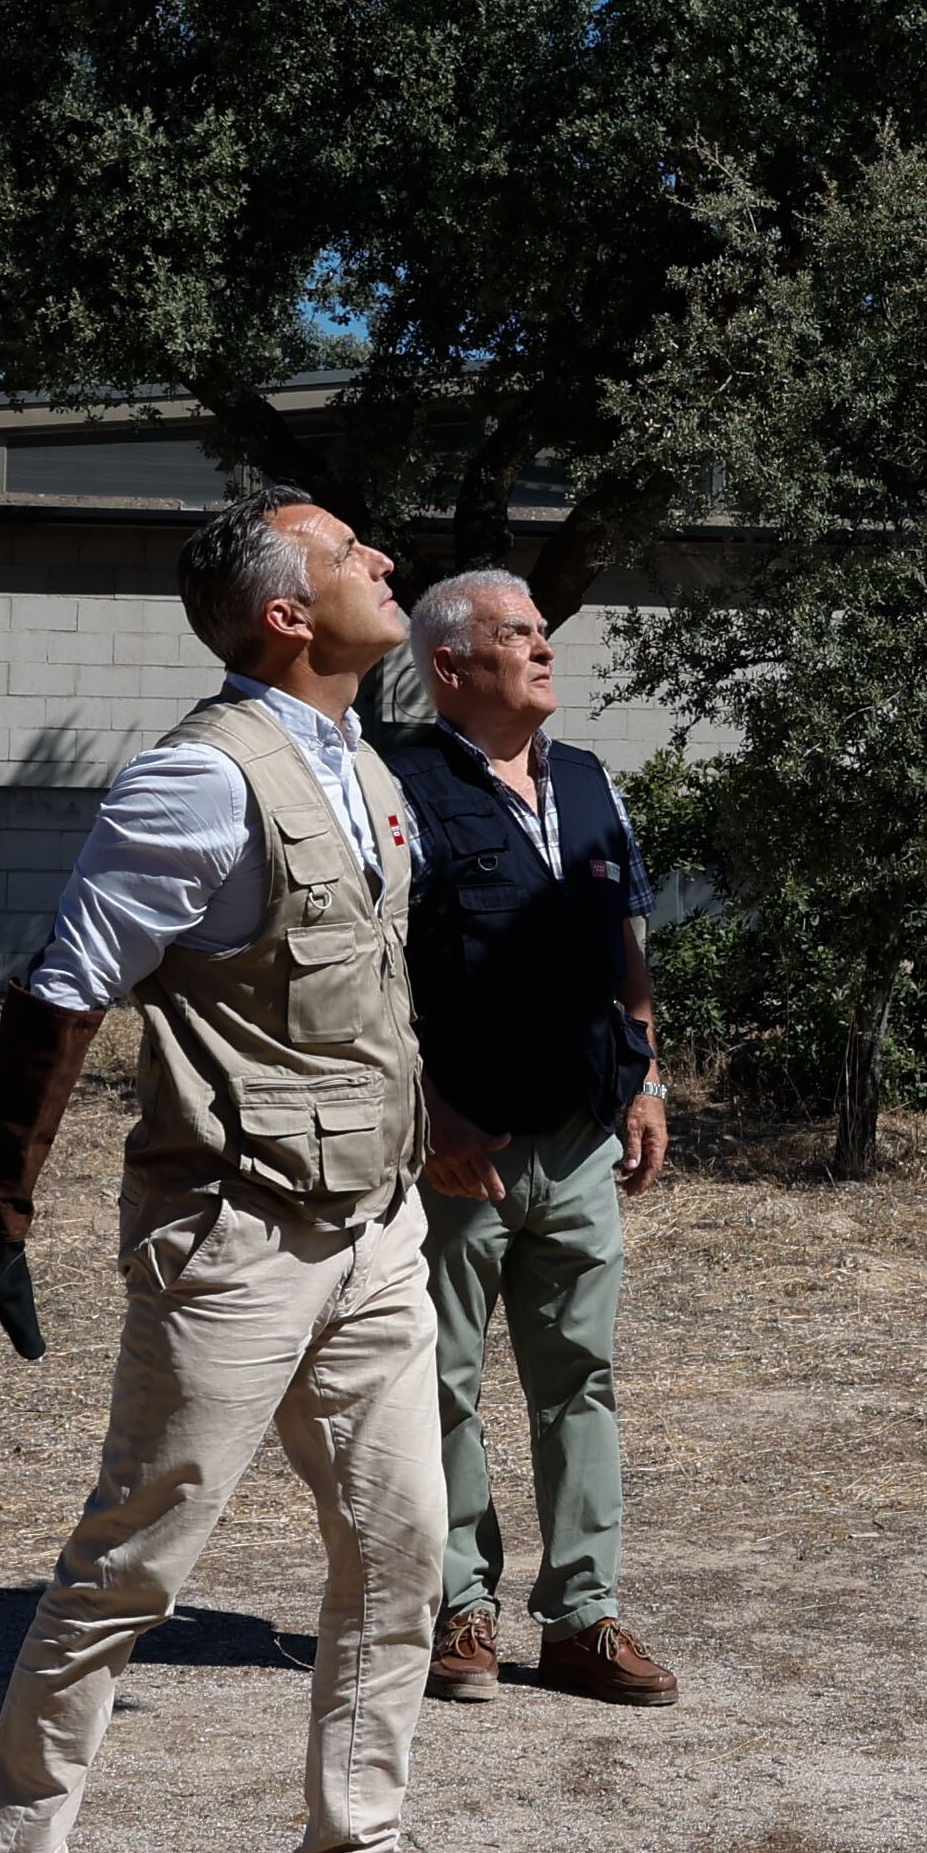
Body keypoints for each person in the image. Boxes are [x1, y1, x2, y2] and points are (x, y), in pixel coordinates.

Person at [0, 489, 525, 1853]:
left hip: (378, 1233)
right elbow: (64, 990)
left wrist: (438, 1121)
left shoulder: (366, 770)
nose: (385, 559)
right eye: (349, 553)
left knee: (400, 1555)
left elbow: (356, 995)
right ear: (288, 614)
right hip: (232, 1241)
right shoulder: (194, 784)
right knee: (130, 1570)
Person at [381, 567, 682, 1710]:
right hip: (460, 1147)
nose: (545, 647)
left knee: (581, 1382)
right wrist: (427, 1116)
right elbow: (368, 976)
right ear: (452, 666)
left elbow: (626, 951)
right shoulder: (394, 786)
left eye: (543, 632)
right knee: (440, 1383)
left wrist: (645, 1076)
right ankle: (461, 1606)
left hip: (580, 1139)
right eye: (519, 634)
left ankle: (583, 1620)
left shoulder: (591, 782)